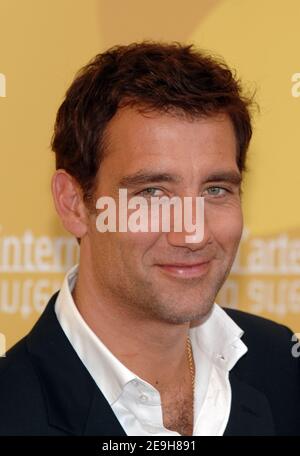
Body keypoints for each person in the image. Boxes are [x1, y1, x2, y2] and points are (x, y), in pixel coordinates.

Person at [0, 42, 299, 436]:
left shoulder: (284, 367)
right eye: (153, 193)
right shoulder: (12, 409)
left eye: (215, 190)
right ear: (74, 205)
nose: (193, 233)